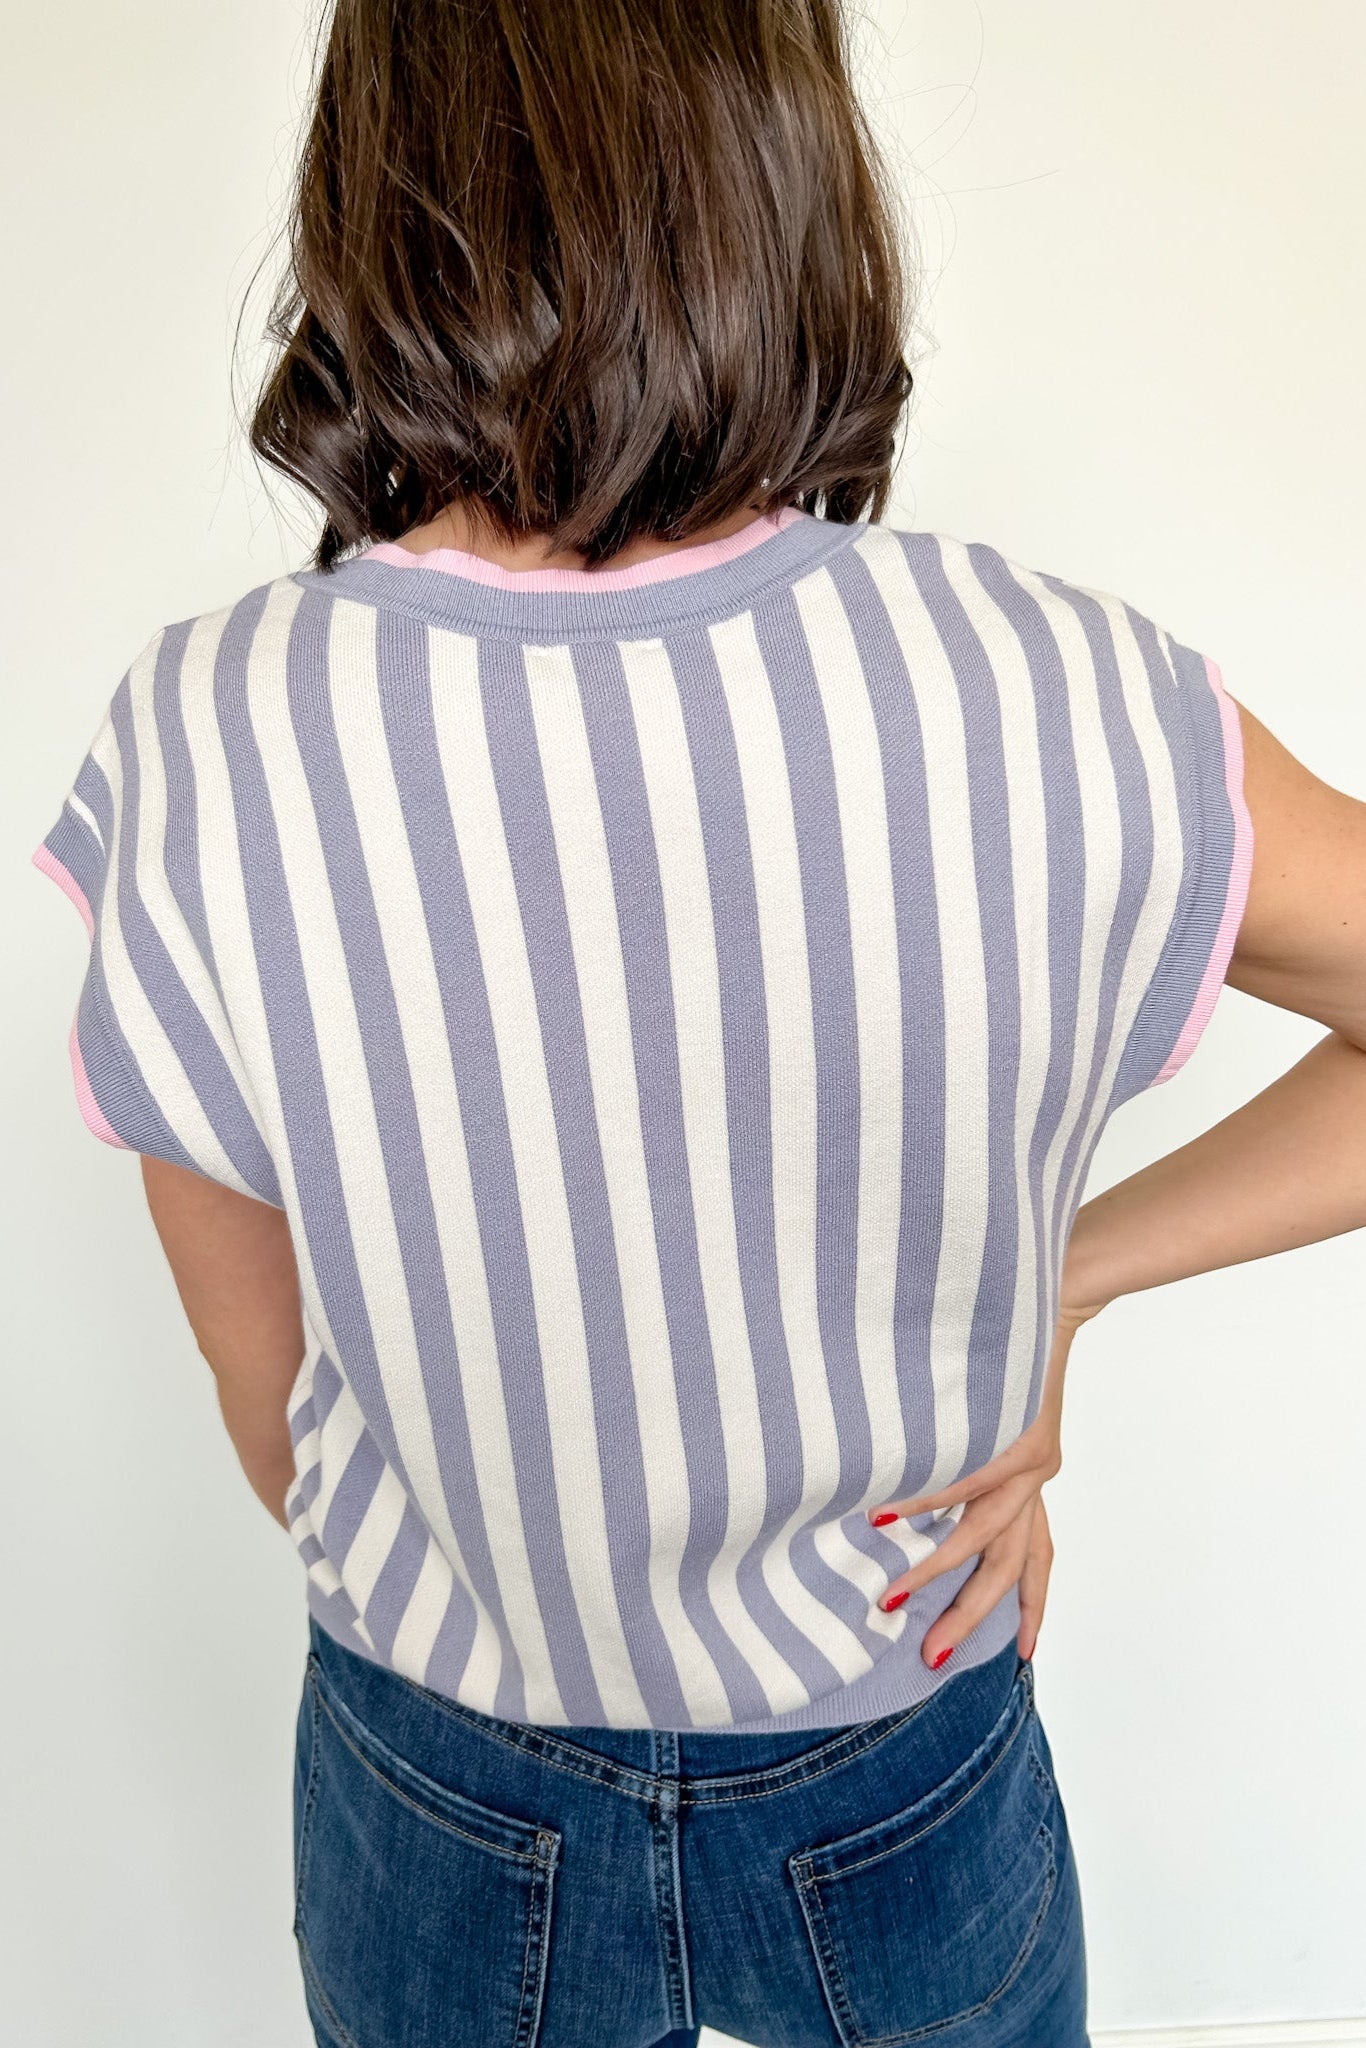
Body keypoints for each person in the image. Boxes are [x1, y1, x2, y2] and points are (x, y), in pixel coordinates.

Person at [30, 2, 1366, 2044]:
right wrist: (1058, 1289)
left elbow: (272, 1402)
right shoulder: (1055, 691)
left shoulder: (200, 744)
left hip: (437, 1779)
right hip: (898, 1739)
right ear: (783, 169)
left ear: (378, 196)